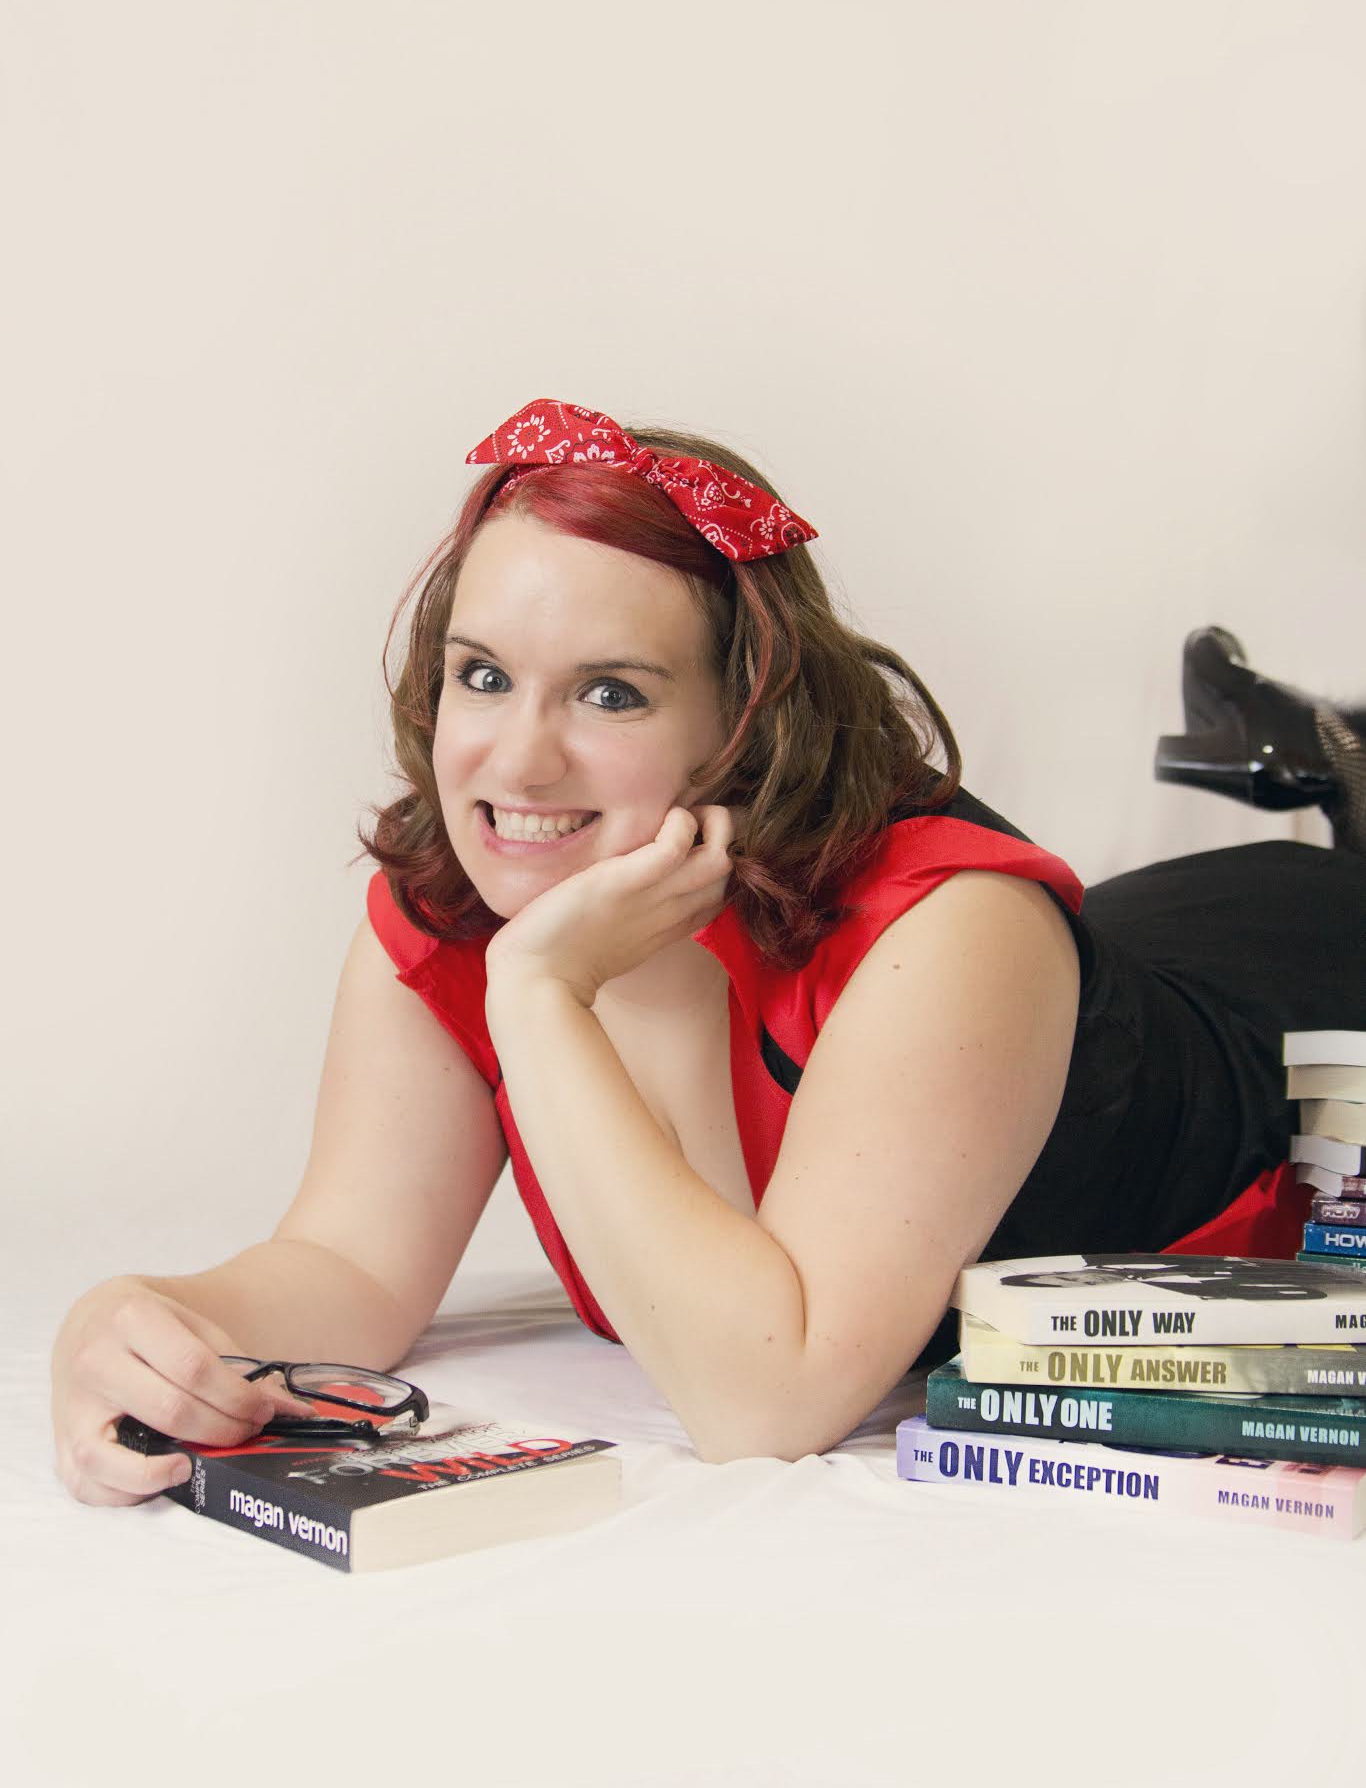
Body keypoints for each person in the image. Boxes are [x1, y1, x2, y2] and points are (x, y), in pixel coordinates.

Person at [49, 398, 1366, 1500]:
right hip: (1148, 948)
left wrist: (543, 994)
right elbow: (352, 1266)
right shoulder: (449, 913)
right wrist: (142, 1316)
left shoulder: (947, 928)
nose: (518, 762)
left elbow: (765, 1401)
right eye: (483, 675)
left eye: (609, 692)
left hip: (1303, 980)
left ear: (743, 722)